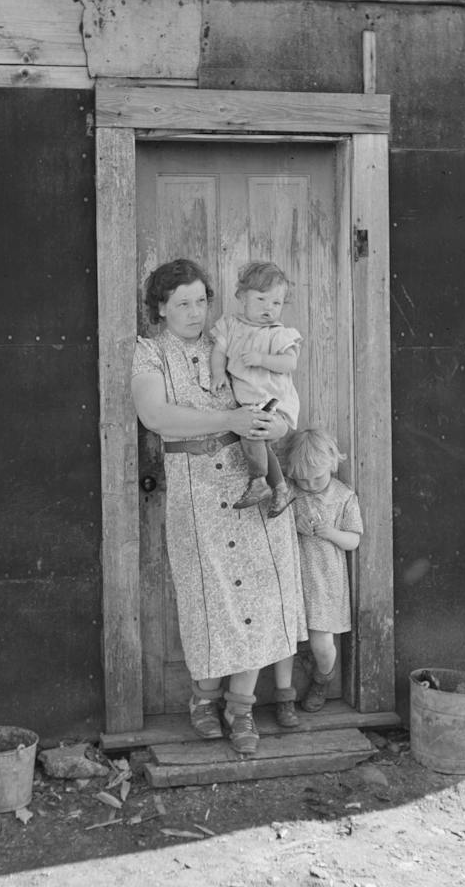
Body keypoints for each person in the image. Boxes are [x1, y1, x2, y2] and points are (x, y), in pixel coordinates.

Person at [131, 259, 308, 754]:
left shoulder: (230, 340)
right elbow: (155, 416)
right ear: (160, 308)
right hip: (196, 494)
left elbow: (277, 395)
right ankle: (204, 700)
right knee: (208, 600)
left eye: (201, 301)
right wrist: (228, 417)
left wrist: (278, 425)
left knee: (259, 597)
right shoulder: (150, 353)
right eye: (182, 303)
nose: (195, 312)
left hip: (252, 482)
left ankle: (241, 708)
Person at [210, 261, 302, 518]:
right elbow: (218, 351)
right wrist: (218, 373)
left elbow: (289, 363)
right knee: (257, 440)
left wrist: (262, 359)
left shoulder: (278, 334)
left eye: (276, 303)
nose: (268, 308)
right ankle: (280, 489)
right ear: (242, 297)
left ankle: (259, 482)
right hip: (251, 402)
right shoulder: (230, 325)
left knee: (251, 433)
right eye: (261, 299)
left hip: (273, 399)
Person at [283, 428, 363, 713]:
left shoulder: (343, 496)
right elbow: (273, 522)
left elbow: (353, 540)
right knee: (288, 641)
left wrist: (331, 533)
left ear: (331, 463)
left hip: (324, 582)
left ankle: (322, 679)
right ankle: (284, 695)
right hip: (292, 579)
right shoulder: (291, 492)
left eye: (317, 478)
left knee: (322, 644)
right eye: (302, 479)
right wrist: (294, 524)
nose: (309, 484)